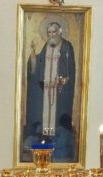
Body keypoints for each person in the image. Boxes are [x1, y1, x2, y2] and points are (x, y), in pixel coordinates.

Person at [24, 21, 76, 162]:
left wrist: (62, 80)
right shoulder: (46, 46)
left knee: (58, 118)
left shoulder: (67, 47)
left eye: (54, 32)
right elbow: (36, 68)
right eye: (49, 33)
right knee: (43, 116)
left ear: (60, 32)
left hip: (60, 92)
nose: (51, 35)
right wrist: (33, 56)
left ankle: (59, 149)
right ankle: (43, 142)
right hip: (45, 92)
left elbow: (70, 71)